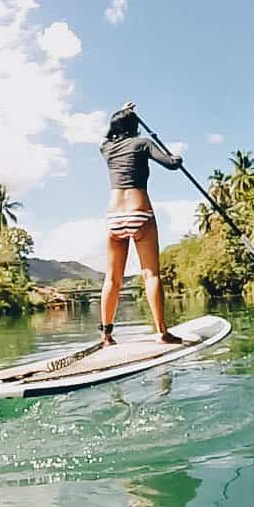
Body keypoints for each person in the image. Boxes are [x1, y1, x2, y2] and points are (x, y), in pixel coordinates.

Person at [99, 103, 184, 346]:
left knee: (112, 279)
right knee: (151, 274)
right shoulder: (143, 143)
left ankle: (106, 335)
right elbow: (170, 163)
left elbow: (106, 135)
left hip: (114, 217)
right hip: (139, 213)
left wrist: (119, 112)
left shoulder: (106, 148)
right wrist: (177, 158)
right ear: (135, 126)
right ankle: (163, 333)